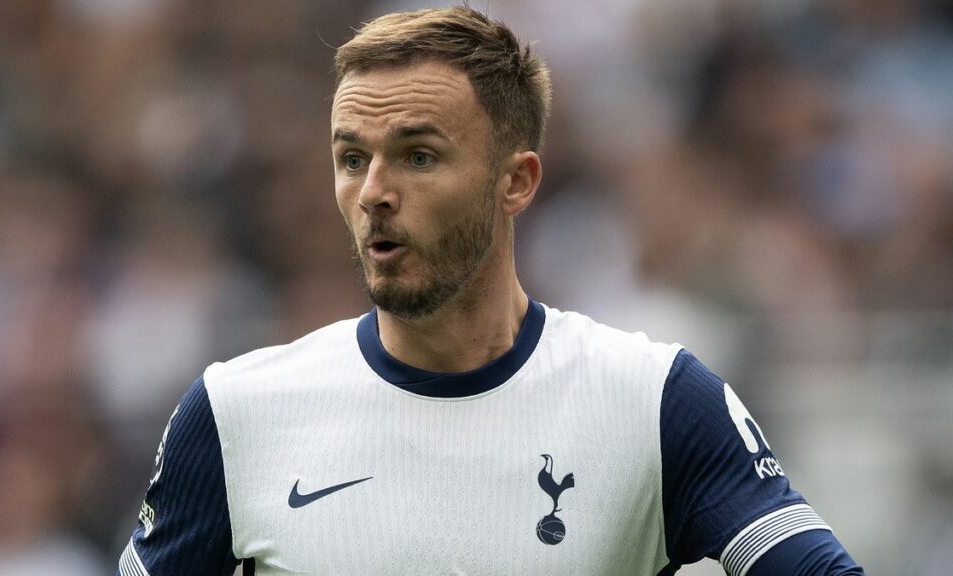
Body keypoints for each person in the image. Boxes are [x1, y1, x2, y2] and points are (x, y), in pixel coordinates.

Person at [116, 7, 864, 575]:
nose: (374, 192)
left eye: (417, 155)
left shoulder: (653, 399)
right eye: (351, 158)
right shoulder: (235, 415)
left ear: (516, 181)